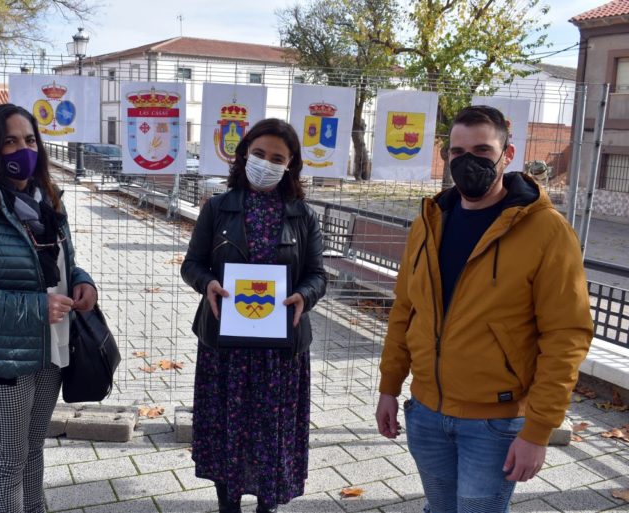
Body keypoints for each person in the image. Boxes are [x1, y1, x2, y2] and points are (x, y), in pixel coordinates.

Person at [375, 105, 593, 513]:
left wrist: (538, 430)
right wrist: (390, 386)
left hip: (495, 424)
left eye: (481, 149)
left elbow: (567, 334)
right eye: (456, 152)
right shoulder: (430, 221)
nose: (467, 161)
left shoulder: (547, 231)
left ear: (507, 155)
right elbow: (405, 309)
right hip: (425, 412)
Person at [0, 104, 97, 513]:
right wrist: (35, 307)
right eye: (10, 141)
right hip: (0, 359)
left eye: (29, 140)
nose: (23, 150)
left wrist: (83, 282)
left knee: (34, 453)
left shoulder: (50, 203)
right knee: (9, 460)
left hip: (51, 351)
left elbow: (66, 262)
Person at [181, 118, 327, 513]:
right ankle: (227, 503)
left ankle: (268, 505)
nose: (266, 163)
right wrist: (206, 284)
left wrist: (303, 295)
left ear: (290, 164)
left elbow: (317, 274)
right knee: (227, 430)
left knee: (271, 434)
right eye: (259, 153)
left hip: (280, 349)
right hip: (225, 346)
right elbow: (192, 264)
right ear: (244, 152)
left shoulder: (302, 215)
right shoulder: (217, 208)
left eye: (277, 158)